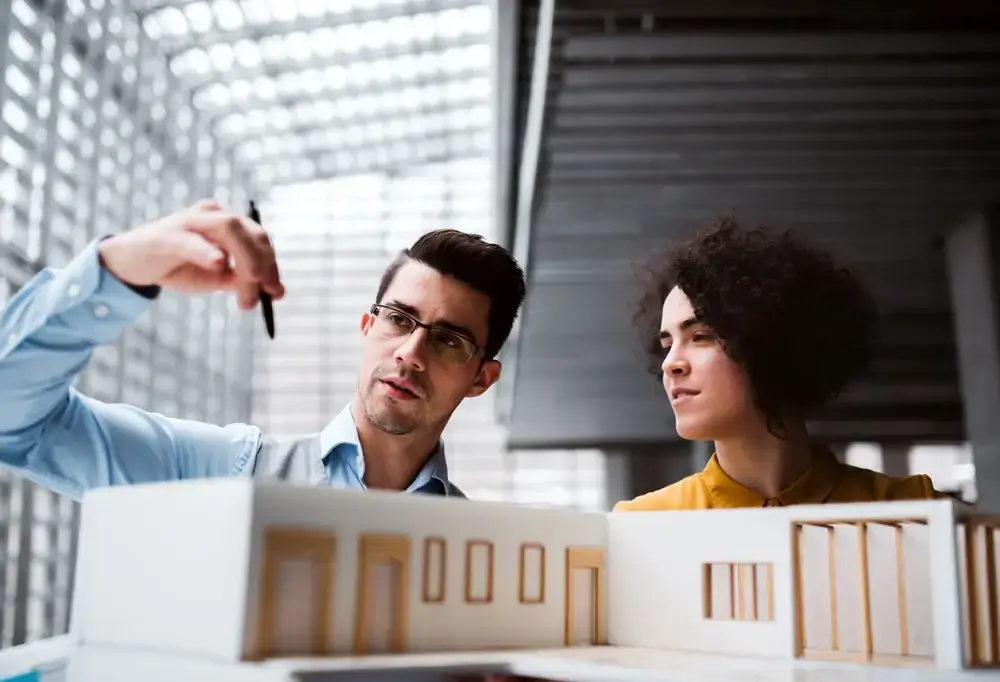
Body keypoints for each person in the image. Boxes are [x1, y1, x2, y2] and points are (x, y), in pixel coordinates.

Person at [0, 199, 525, 499]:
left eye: (449, 339)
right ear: (367, 326)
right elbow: (16, 421)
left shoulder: (478, 552)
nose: (411, 352)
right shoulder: (226, 477)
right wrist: (118, 269)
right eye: (398, 319)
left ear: (482, 378)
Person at [613, 216, 943, 511]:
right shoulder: (644, 523)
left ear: (770, 339)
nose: (671, 364)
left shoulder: (914, 510)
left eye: (701, 336)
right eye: (667, 344)